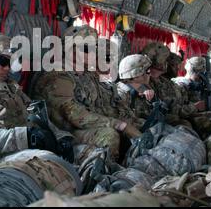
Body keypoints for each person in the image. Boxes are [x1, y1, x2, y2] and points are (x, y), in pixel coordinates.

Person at [0, 32, 73, 160]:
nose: (7, 68)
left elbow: (38, 117)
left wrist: (60, 137)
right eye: (2, 61)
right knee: (50, 160)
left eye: (10, 62)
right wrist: (26, 137)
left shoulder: (11, 88)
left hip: (28, 151)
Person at [30, 25, 141, 163]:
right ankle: (100, 178)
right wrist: (119, 125)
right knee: (108, 135)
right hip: (64, 134)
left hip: (84, 128)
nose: (93, 53)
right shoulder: (57, 75)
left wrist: (128, 121)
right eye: (86, 48)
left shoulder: (89, 75)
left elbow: (103, 107)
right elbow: (75, 115)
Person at [116, 54, 155, 122]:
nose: (150, 74)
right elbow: (123, 122)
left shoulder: (143, 88)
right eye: (148, 71)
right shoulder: (121, 94)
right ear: (137, 74)